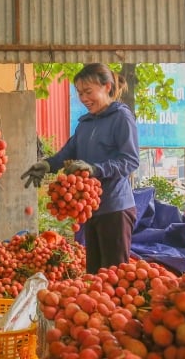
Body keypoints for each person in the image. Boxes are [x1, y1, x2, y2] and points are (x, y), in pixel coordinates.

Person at [21, 63, 139, 274]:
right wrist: (47, 165)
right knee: (93, 274)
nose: (84, 98)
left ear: (107, 87)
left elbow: (130, 160)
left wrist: (95, 169)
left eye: (88, 92)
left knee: (114, 276)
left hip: (115, 208)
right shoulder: (85, 123)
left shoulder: (121, 117)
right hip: (90, 210)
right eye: (79, 93)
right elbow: (68, 152)